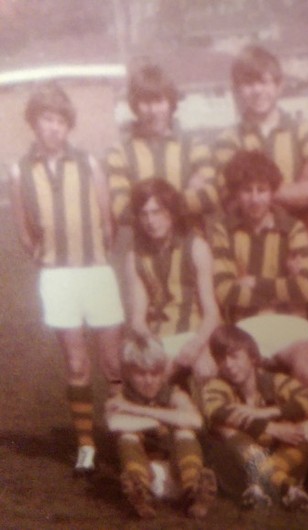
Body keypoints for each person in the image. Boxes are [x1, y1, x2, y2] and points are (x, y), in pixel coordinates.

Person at [8, 81, 124, 474]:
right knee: (76, 364)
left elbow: (108, 223)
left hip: (95, 271)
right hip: (57, 277)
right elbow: (24, 230)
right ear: (34, 124)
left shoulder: (89, 163)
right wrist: (47, 258)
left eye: (60, 120)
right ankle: (87, 443)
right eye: (46, 119)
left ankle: (126, 434)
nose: (53, 128)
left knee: (113, 363)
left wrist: (94, 257)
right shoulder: (19, 170)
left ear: (69, 125)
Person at [210, 150, 308, 386]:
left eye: (262, 190)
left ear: (272, 193)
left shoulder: (293, 228)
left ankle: (303, 422)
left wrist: (255, 283)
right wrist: (285, 287)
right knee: (245, 384)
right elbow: (225, 292)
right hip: (245, 327)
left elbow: (307, 289)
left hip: (291, 323)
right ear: (236, 193)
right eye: (247, 190)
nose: (255, 198)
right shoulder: (224, 230)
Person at [200, 325, 308, 510]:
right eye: (221, 358)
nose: (228, 364)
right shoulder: (217, 385)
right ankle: (284, 485)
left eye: (234, 356)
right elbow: (216, 411)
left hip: (279, 458)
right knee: (225, 426)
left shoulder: (274, 381)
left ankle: (266, 484)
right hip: (240, 471)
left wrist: (269, 412)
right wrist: (271, 428)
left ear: (252, 356)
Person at [105, 336, 216, 519]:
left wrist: (136, 410)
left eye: (154, 374)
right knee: (128, 437)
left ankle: (195, 491)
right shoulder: (120, 397)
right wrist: (170, 418)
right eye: (141, 374)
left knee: (185, 432)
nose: (149, 381)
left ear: (163, 372)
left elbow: (195, 420)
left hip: (179, 470)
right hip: (144, 472)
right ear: (127, 373)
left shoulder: (173, 394)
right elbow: (115, 423)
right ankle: (142, 496)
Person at [126, 178, 220, 381]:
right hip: (158, 339)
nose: (150, 221)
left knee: (205, 370)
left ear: (172, 213)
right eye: (144, 214)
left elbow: (212, 313)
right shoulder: (135, 256)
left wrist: (195, 346)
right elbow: (137, 320)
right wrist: (155, 348)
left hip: (194, 335)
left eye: (157, 212)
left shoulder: (196, 247)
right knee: (149, 377)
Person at [106, 61, 219, 225]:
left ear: (171, 103)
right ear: (134, 106)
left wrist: (143, 205)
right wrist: (185, 196)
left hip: (187, 244)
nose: (153, 111)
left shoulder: (195, 147)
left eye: (159, 101)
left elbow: (210, 198)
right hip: (142, 248)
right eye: (145, 103)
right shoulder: (119, 153)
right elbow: (121, 209)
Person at [214, 45, 308, 211]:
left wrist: (253, 193)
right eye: (248, 83)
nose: (257, 90)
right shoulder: (228, 139)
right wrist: (291, 192)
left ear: (279, 86)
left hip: (300, 231)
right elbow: (229, 195)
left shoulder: (306, 131)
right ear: (237, 90)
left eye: (264, 82)